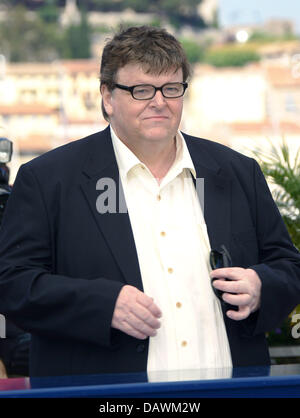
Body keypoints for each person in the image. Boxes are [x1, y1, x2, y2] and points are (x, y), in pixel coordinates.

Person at [0, 25, 299, 378]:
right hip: (107, 396)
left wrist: (262, 287)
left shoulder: (237, 173)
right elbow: (12, 284)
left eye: (171, 89)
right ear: (108, 97)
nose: (159, 102)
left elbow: (288, 266)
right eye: (141, 90)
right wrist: (102, 305)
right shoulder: (48, 180)